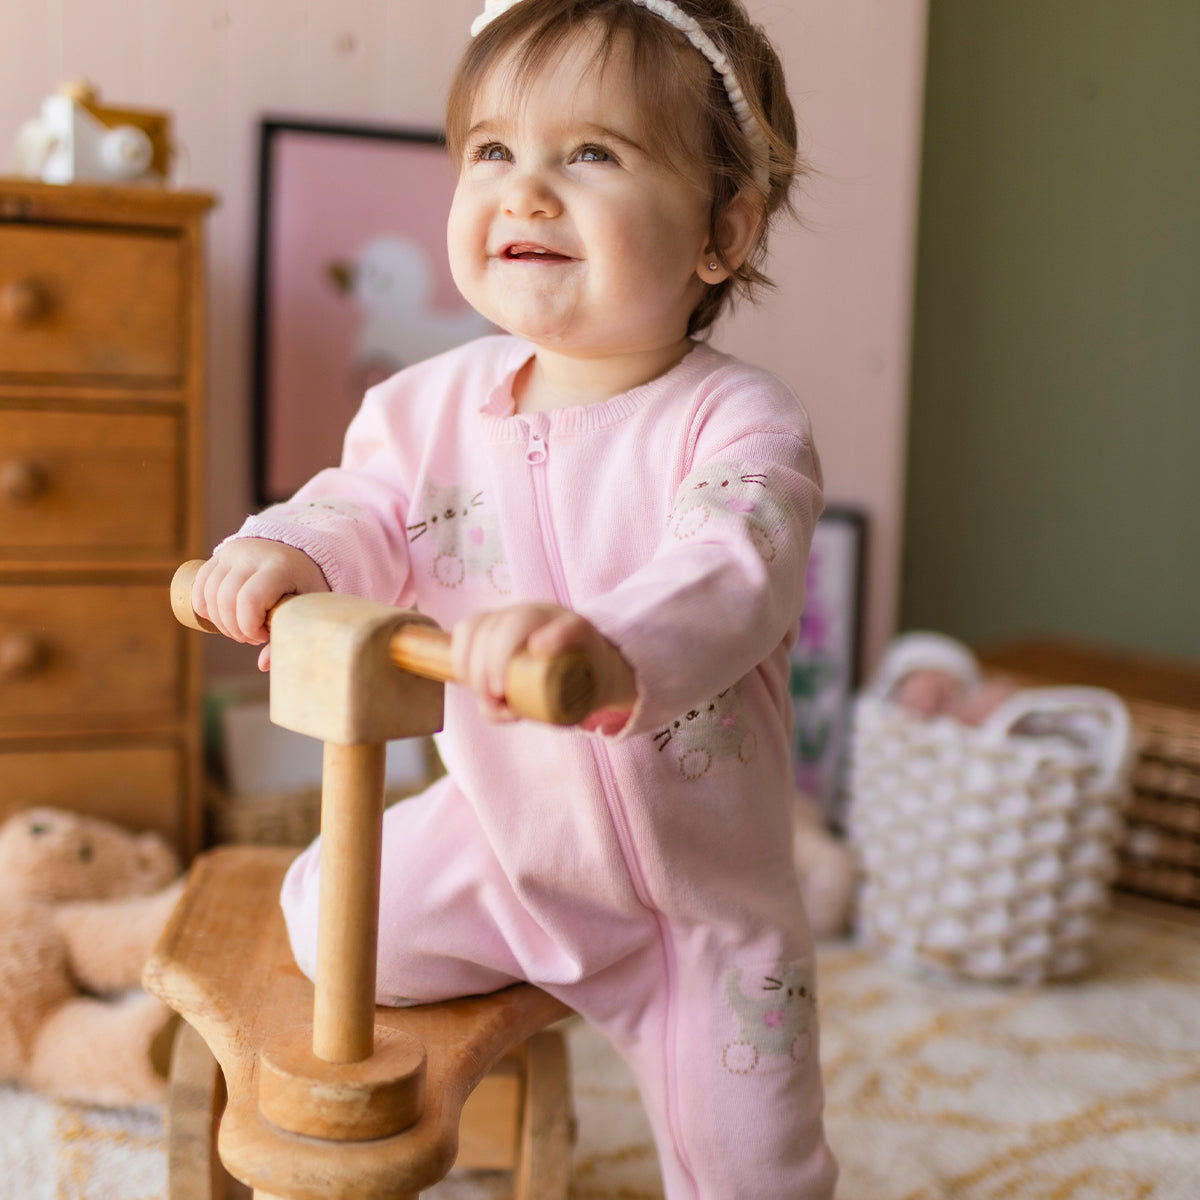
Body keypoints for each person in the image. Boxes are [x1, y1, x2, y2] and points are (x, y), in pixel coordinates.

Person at [194, 1, 838, 1195]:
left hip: (701, 909)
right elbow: (364, 509)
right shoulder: (423, 406)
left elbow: (732, 573)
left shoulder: (740, 421)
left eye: (590, 153)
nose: (527, 190)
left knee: (758, 1167)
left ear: (722, 231)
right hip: (505, 842)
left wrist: (603, 643)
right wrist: (288, 553)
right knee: (328, 921)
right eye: (494, 150)